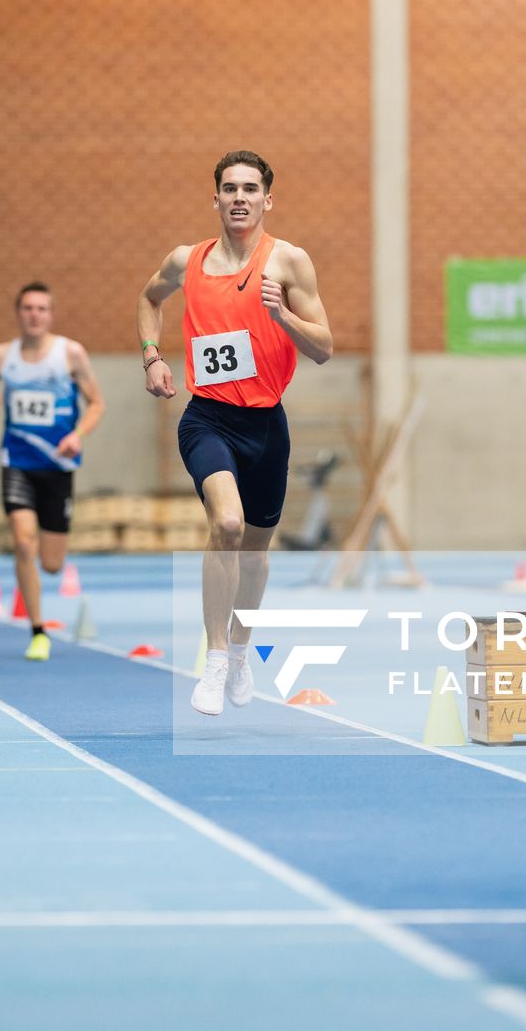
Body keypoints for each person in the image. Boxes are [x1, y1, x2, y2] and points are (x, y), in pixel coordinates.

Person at [136, 150, 333, 715]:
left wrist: (283, 317)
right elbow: (149, 299)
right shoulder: (186, 260)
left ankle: (242, 650)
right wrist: (152, 357)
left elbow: (323, 349)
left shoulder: (289, 263)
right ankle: (215, 657)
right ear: (216, 198)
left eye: (251, 188)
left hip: (267, 424)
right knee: (226, 522)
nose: (240, 197)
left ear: (268, 199)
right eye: (230, 188)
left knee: (255, 549)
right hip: (208, 417)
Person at [0, 283, 104, 662]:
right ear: (18, 313)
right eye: (28, 308)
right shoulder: (0, 357)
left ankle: (44, 580)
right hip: (18, 463)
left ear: (51, 314)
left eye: (42, 308)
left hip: (58, 466)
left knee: (52, 563)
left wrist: (78, 434)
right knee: (23, 542)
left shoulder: (70, 354)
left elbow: (96, 403)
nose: (34, 314)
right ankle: (38, 631)